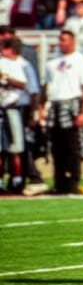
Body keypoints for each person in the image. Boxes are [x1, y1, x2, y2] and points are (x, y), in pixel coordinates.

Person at [40, 30, 83, 195]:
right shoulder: (52, 63)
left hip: (72, 105)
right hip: (55, 105)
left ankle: (73, 182)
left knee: (72, 147)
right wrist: (41, 108)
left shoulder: (81, 61)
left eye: (64, 40)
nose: (61, 43)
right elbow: (45, 87)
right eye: (60, 40)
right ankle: (59, 181)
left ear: (72, 41)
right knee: (57, 147)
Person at [0, 37, 28, 193]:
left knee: (15, 148)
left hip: (12, 107)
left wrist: (5, 78)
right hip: (1, 108)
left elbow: (23, 84)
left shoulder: (18, 64)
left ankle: (16, 180)